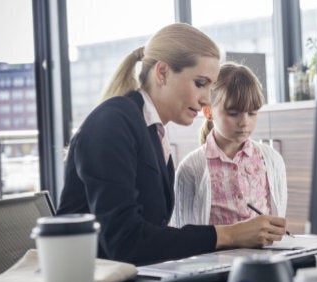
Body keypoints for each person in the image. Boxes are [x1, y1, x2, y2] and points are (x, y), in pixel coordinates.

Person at [57, 23, 287, 266]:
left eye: (211, 86)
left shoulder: (152, 133)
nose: (207, 98)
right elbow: (126, 243)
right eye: (200, 83)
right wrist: (230, 234)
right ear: (163, 72)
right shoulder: (112, 123)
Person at [170, 62, 287, 227]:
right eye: (233, 114)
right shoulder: (191, 169)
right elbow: (184, 234)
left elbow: (278, 220)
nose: (244, 122)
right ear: (208, 111)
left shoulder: (272, 160)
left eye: (252, 113)